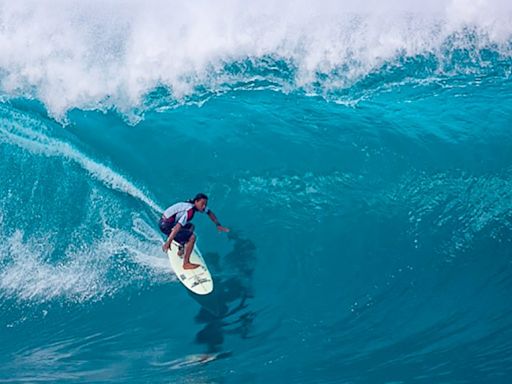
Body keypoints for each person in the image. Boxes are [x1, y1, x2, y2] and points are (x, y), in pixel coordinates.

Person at [159, 193, 229, 269]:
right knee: (192, 237)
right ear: (196, 201)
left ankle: (181, 247)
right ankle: (186, 264)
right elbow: (177, 227)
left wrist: (218, 225)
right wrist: (168, 242)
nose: (204, 206)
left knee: (191, 226)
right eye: (202, 204)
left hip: (165, 222)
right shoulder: (190, 210)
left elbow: (209, 212)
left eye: (205, 204)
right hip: (166, 225)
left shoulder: (193, 203)